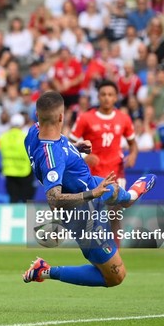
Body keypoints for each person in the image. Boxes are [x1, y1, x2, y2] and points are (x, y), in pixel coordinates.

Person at [22, 91, 156, 288]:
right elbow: (54, 198)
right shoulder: (53, 157)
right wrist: (93, 194)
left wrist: (74, 148)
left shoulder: (34, 132)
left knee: (126, 198)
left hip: (92, 184)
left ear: (37, 115)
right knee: (115, 277)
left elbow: (54, 143)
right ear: (61, 116)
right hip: (85, 214)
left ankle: (133, 193)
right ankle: (44, 271)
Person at [70, 80, 138, 248]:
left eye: (110, 95)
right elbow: (68, 146)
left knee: (115, 213)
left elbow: (133, 143)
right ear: (98, 97)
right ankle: (98, 253)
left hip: (116, 172)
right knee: (94, 216)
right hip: (93, 173)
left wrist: (133, 154)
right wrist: (85, 157)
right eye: (103, 94)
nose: (107, 98)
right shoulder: (85, 118)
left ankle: (116, 254)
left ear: (115, 97)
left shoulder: (124, 119)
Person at [0, 114, 35, 203]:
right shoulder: (25, 137)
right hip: (24, 171)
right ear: (22, 124)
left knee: (12, 199)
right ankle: (27, 217)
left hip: (9, 171)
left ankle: (13, 216)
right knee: (27, 200)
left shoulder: (3, 137)